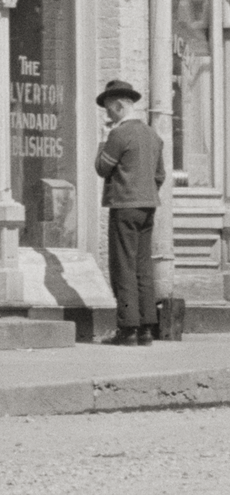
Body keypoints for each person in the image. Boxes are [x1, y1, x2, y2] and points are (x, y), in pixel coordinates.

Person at [94, 79, 166, 346]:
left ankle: (128, 330)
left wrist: (103, 138)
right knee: (142, 266)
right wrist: (145, 190)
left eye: (110, 110)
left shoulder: (118, 135)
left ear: (121, 105)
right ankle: (147, 328)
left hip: (124, 206)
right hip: (148, 207)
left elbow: (102, 168)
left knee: (123, 265)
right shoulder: (152, 135)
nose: (108, 115)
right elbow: (160, 175)